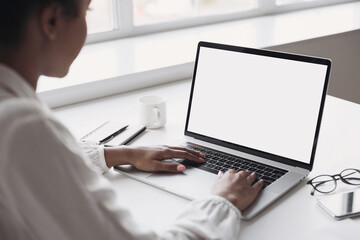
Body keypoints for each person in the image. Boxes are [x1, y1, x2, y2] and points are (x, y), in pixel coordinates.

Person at [0, 0, 263, 239]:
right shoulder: (22, 126)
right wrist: (223, 201)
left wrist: (120, 154)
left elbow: (43, 162)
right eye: (87, 11)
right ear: (51, 21)